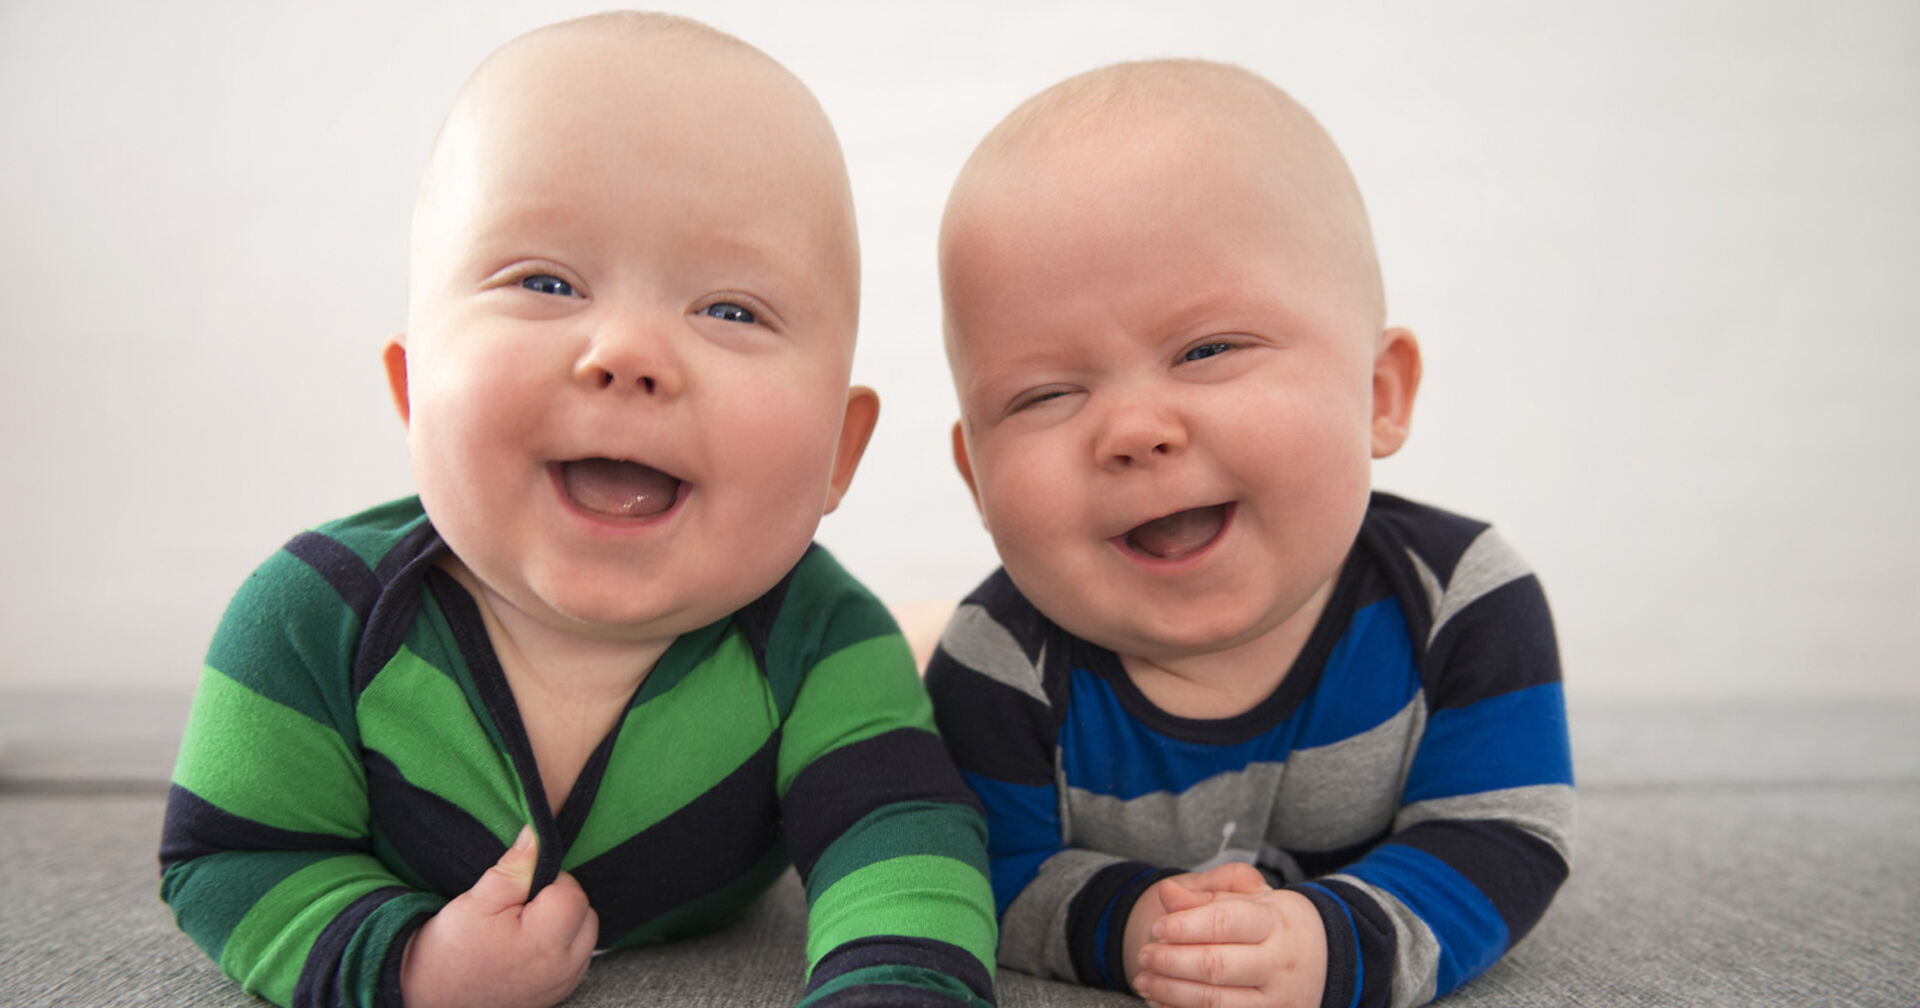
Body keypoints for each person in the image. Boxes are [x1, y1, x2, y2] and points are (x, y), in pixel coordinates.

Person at [159, 13, 996, 1008]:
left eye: (730, 309)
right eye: (546, 282)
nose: (629, 352)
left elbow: (900, 834)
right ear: (414, 392)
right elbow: (230, 856)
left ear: (837, 454)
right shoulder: (312, 618)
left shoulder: (820, 640)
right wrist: (409, 963)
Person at [924, 59, 1572, 1008]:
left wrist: (1331, 942)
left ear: (1379, 395)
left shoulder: (1461, 600)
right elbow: (990, 869)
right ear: (976, 477)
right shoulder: (999, 664)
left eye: (1208, 350)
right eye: (1048, 393)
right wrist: (1139, 924)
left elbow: (1506, 836)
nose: (1136, 430)